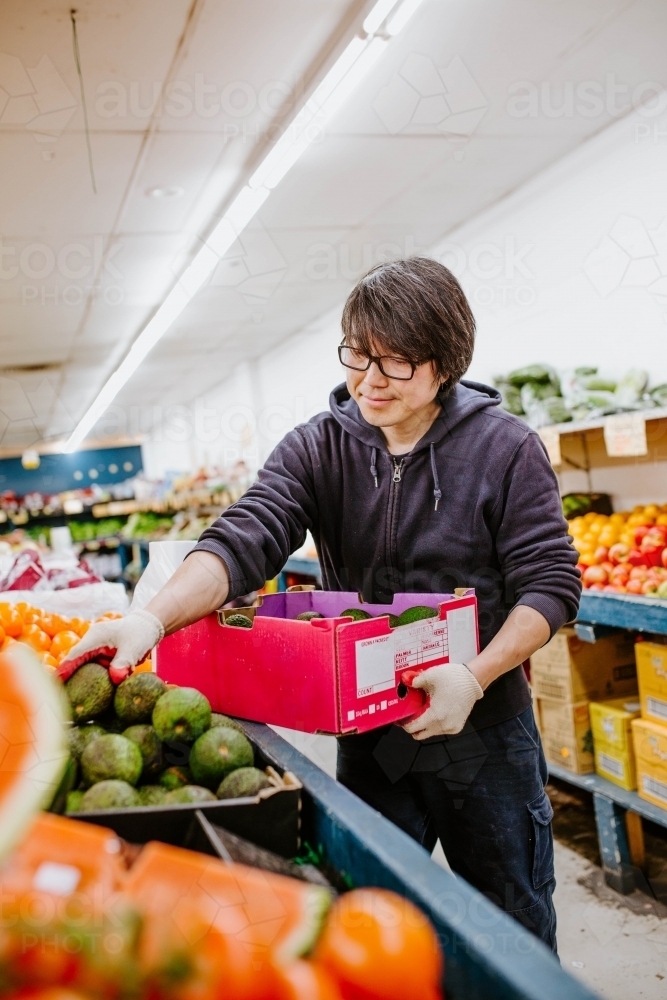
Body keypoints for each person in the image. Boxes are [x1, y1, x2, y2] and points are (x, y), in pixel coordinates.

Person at [61, 257, 580, 952]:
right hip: (370, 731)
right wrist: (151, 617)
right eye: (358, 355)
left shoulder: (504, 448)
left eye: (394, 363)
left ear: (445, 361)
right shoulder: (318, 447)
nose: (368, 380)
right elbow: (247, 534)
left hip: (482, 732)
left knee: (510, 920)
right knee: (370, 918)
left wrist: (477, 676)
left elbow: (549, 583)